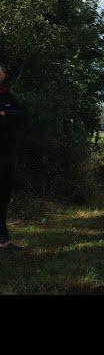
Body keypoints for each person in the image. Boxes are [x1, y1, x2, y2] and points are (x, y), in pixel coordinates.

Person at [0, 61, 25, 248]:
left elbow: (24, 115)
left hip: (7, 153)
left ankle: (3, 238)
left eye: (0, 72)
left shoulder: (7, 96)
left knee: (3, 195)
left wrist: (5, 113)